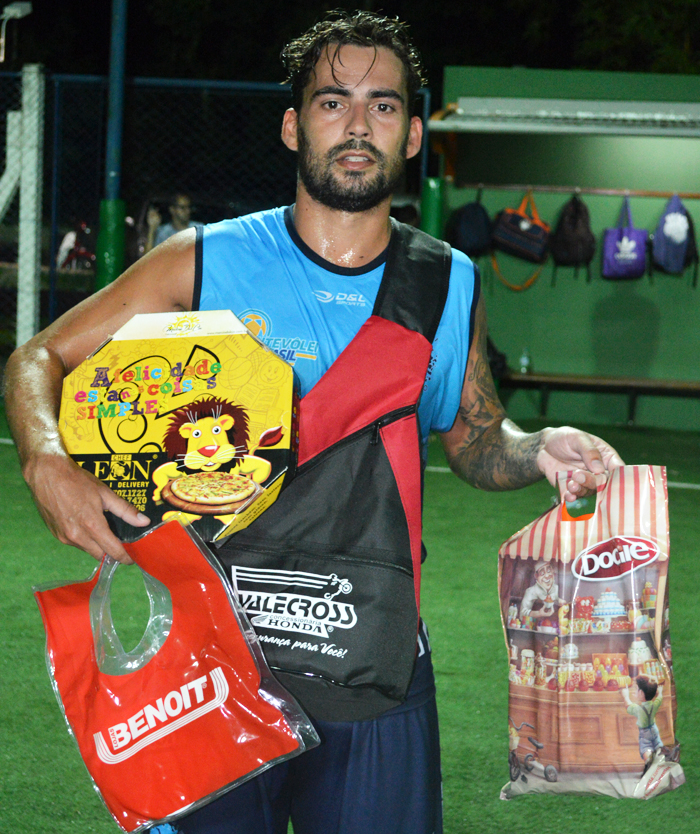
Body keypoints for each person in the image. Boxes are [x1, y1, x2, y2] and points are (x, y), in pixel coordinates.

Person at [3, 11, 624, 834]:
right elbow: (38, 358)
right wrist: (45, 457)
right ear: (295, 127)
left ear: (411, 134)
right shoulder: (204, 260)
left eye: (383, 105)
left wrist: (537, 447)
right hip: (208, 661)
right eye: (333, 103)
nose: (358, 125)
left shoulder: (448, 282)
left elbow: (475, 437)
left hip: (372, 659)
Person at [621, 676, 664, 767]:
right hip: (654, 729)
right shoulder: (654, 704)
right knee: (658, 744)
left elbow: (628, 706)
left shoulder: (638, 709)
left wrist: (625, 695)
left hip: (644, 733)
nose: (635, 691)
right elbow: (659, 699)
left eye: (636, 689)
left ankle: (650, 765)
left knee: (646, 748)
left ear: (641, 693)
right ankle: (661, 760)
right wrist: (660, 692)